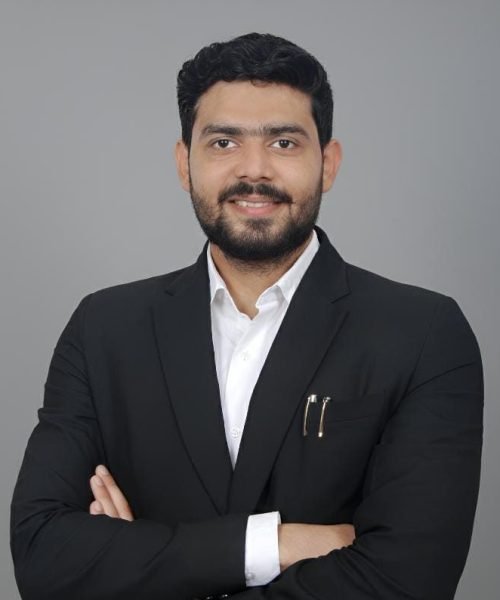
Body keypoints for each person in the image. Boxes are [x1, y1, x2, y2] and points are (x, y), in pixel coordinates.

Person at [10, 32, 483, 600]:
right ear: (184, 163)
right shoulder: (103, 329)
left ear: (328, 164)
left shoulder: (423, 334)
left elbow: (406, 580)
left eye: (283, 142)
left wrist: (134, 565)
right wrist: (272, 545)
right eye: (223, 142)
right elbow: (42, 558)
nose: (254, 170)